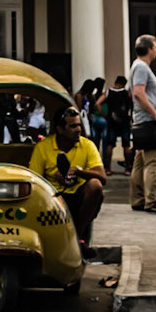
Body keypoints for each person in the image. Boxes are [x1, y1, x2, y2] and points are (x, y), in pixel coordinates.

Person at [30, 103, 107, 253]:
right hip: (52, 198)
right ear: (60, 129)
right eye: (73, 126)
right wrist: (54, 178)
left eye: (79, 125)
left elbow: (102, 177)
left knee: (95, 186)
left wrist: (79, 172)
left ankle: (77, 235)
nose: (78, 129)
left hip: (78, 196)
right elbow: (35, 180)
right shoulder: (43, 147)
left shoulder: (87, 145)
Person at [129, 33, 156, 215]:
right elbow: (139, 93)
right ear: (148, 49)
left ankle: (138, 198)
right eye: (155, 47)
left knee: (140, 162)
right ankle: (151, 200)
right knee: (154, 162)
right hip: (147, 121)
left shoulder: (138, 66)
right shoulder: (142, 68)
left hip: (141, 120)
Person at [104, 75, 133, 173]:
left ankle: (108, 169)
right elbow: (132, 104)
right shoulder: (127, 93)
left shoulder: (108, 92)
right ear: (124, 84)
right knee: (126, 145)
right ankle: (127, 169)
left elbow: (97, 103)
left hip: (111, 121)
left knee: (110, 145)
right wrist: (130, 115)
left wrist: (105, 115)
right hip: (124, 121)